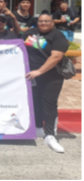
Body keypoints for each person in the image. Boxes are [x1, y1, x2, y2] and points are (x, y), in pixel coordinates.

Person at [24, 11, 70, 154]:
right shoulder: (30, 32)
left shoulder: (57, 36)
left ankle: (50, 135)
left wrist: (39, 71)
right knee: (35, 101)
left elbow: (56, 57)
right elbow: (17, 45)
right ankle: (37, 128)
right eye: (41, 21)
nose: (43, 23)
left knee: (49, 104)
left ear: (52, 22)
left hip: (51, 76)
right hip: (32, 75)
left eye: (47, 21)